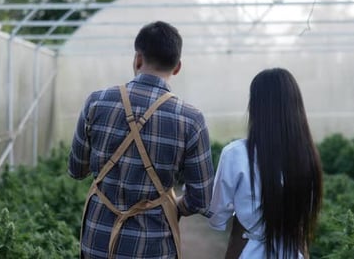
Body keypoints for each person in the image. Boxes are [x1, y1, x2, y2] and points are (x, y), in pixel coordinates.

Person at [68, 21, 214, 259]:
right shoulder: (191, 119)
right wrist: (173, 206)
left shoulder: (97, 102)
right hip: (153, 246)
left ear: (137, 59)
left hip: (99, 241)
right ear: (177, 67)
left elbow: (76, 170)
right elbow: (201, 199)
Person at [208, 68, 323, 259]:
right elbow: (304, 220)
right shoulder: (307, 157)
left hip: (248, 252)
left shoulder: (236, 154)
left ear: (255, 106)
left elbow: (217, 216)